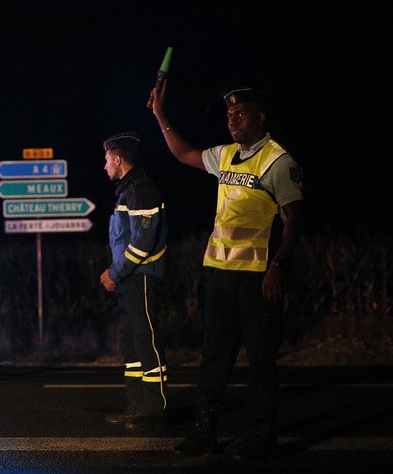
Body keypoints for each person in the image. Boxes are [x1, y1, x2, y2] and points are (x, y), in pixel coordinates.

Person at [148, 84, 305, 460]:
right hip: (220, 274)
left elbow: (295, 220)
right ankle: (205, 432)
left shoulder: (278, 161)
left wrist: (277, 266)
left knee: (260, 358)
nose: (232, 119)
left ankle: (261, 435)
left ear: (260, 118)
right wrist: (160, 114)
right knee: (214, 356)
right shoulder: (225, 155)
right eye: (229, 115)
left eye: (241, 113)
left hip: (257, 278)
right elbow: (184, 153)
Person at [99, 132, 170, 431]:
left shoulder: (141, 190)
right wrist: (115, 272)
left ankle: (155, 410)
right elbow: (124, 240)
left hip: (141, 276)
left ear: (117, 158)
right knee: (129, 345)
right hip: (129, 277)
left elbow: (142, 243)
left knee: (145, 341)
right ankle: (136, 406)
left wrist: (114, 273)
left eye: (106, 159)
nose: (104, 165)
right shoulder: (127, 190)